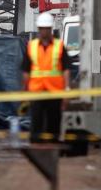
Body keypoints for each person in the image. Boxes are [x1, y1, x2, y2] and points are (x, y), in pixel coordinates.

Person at [22, 12, 71, 143]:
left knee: (54, 123)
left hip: (55, 91)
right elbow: (26, 71)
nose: (44, 31)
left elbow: (66, 69)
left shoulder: (59, 46)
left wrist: (67, 90)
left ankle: (52, 149)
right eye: (42, 28)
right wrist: (25, 91)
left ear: (51, 29)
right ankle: (37, 150)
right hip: (36, 91)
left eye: (47, 28)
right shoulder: (31, 46)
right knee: (36, 122)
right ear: (39, 29)